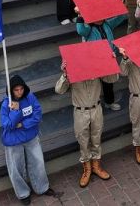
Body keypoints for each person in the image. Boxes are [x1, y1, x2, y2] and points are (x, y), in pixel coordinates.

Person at [1, 75, 61, 204]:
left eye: (21, 89)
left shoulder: (30, 97)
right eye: (16, 90)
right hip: (13, 141)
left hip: (30, 136)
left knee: (38, 162)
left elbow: (37, 115)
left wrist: (22, 124)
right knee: (16, 169)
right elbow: (8, 125)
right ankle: (23, 194)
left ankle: (42, 187)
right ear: (11, 91)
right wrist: (16, 111)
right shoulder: (6, 104)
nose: (19, 92)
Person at [54, 60, 113, 188]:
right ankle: (87, 168)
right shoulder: (72, 69)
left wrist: (110, 63)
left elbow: (112, 78)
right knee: (83, 141)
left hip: (96, 108)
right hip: (80, 111)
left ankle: (96, 166)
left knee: (96, 139)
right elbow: (59, 90)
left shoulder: (96, 66)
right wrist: (65, 74)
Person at [73, 5, 123, 112]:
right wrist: (80, 15)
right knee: (94, 84)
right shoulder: (88, 28)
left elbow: (121, 17)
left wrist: (119, 4)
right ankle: (95, 105)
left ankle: (109, 102)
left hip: (108, 58)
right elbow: (80, 30)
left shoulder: (107, 24)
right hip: (94, 59)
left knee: (108, 83)